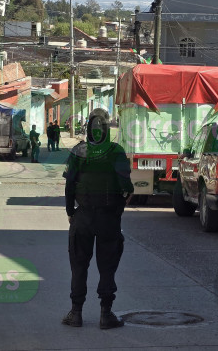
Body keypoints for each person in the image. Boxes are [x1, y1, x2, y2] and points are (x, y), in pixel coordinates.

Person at [62, 108, 133, 330]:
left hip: (82, 216)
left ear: (88, 128)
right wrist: (117, 210)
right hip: (108, 218)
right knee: (107, 266)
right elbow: (126, 187)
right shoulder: (116, 151)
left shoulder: (78, 151)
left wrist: (71, 213)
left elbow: (69, 186)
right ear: (107, 129)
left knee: (79, 266)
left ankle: (76, 313)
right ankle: (105, 314)